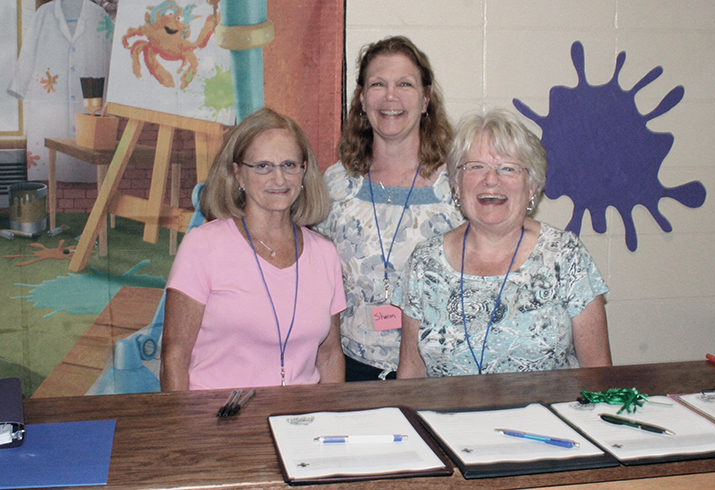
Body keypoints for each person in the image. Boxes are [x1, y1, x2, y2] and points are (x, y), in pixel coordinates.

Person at [395, 109, 612, 378]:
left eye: (508, 168)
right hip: (446, 418)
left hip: (547, 417)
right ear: (456, 185)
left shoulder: (565, 256)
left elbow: (599, 374)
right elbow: (411, 372)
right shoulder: (424, 262)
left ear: (532, 187)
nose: (491, 179)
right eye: (475, 167)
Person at [161, 108, 346, 391]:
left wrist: (332, 422)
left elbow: (330, 354)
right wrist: (183, 431)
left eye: (289, 165)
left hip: (301, 423)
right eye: (262, 166)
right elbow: (175, 357)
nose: (279, 179)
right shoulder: (204, 246)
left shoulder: (324, 254)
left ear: (304, 171)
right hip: (216, 423)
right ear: (238, 174)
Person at [315, 36, 464, 381]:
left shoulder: (458, 184)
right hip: (351, 371)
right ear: (362, 98)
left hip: (439, 376)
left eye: (405, 84)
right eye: (378, 84)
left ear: (426, 99)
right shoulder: (336, 183)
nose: (390, 96)